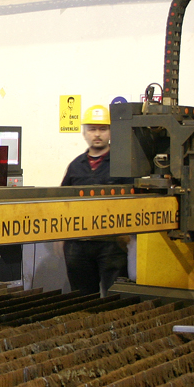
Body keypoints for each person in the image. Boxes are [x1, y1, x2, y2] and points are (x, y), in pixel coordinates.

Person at [60, 104, 133, 296]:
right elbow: (62, 202)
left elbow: (134, 202)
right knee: (82, 297)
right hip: (78, 244)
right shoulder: (75, 166)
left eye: (103, 128)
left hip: (112, 243)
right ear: (84, 133)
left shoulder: (122, 165)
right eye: (92, 129)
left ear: (111, 132)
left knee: (116, 297)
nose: (97, 134)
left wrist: (127, 234)